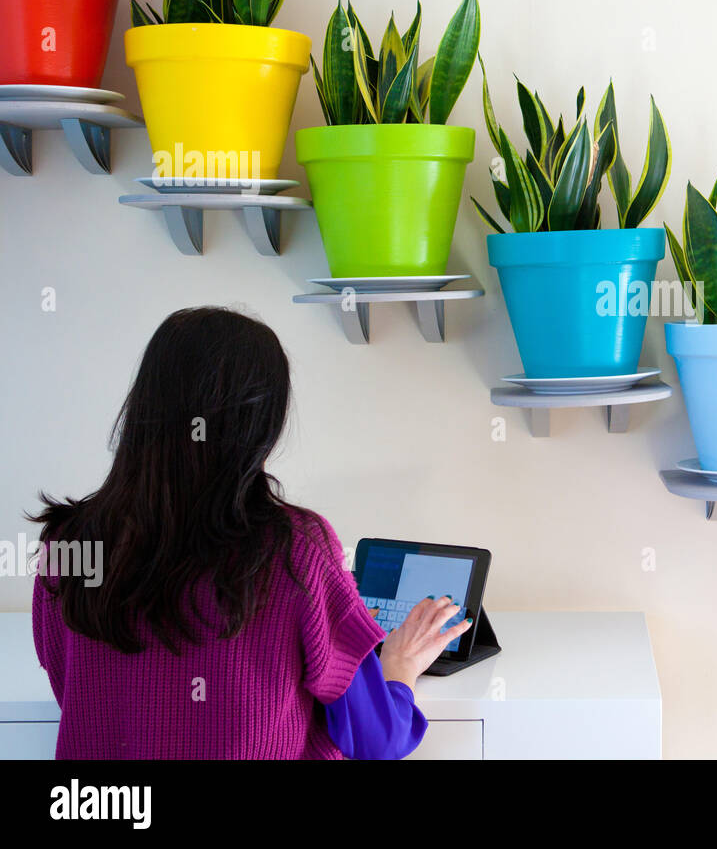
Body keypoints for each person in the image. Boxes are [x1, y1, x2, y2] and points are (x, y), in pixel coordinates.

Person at [29, 306, 469, 759]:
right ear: (263, 425)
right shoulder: (297, 549)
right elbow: (378, 741)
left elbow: (79, 694)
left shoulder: (66, 544)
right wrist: (396, 668)